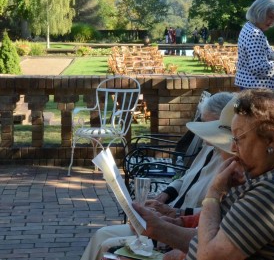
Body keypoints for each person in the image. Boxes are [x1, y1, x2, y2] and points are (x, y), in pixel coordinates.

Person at [135, 89, 274, 260]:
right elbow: (213, 237)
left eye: (238, 138)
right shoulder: (273, 174)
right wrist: (158, 228)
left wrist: (214, 194)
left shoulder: (273, 190)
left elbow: (209, 255)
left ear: (271, 139)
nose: (232, 148)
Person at [80, 92, 234, 260]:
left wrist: (175, 214)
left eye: (207, 123)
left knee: (107, 244)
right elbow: (186, 176)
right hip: (173, 217)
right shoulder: (209, 148)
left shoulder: (230, 164)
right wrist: (165, 194)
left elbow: (216, 212)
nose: (203, 129)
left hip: (182, 225)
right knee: (102, 234)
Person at [234, 0, 274, 90]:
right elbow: (258, 67)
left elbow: (260, 56)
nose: (272, 22)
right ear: (259, 12)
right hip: (256, 90)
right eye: (270, 17)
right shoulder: (255, 34)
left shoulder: (249, 27)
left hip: (250, 86)